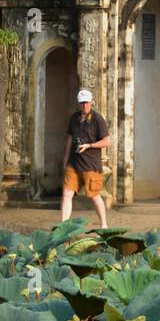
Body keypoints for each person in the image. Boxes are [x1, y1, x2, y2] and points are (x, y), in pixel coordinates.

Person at [61, 88, 110, 228]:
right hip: (74, 163)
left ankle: (104, 224)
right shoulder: (74, 118)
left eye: (87, 103)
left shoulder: (97, 119)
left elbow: (107, 142)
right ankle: (63, 226)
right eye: (82, 103)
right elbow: (69, 140)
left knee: (94, 196)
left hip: (90, 164)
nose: (85, 105)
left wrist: (89, 145)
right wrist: (65, 161)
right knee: (67, 194)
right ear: (78, 103)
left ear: (92, 102)